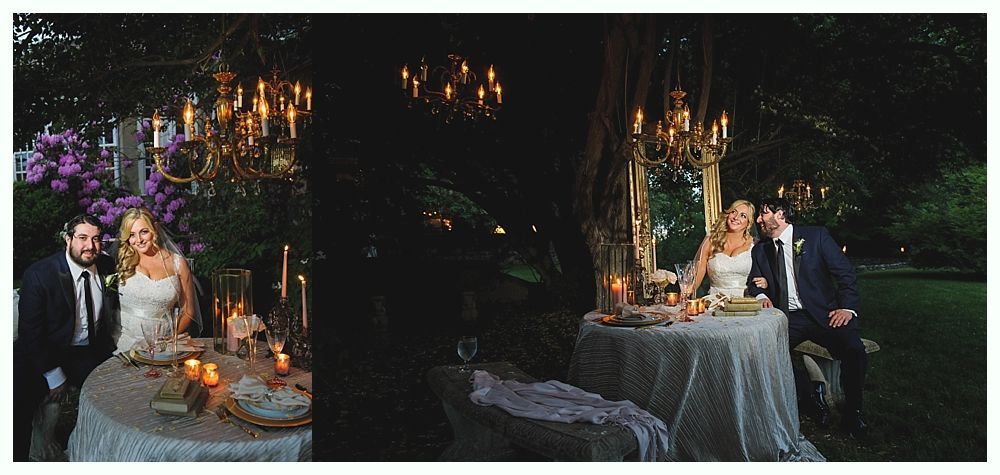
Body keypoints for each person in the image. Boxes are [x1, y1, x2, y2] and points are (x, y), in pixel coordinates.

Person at [747, 197, 868, 437]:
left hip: (826, 313)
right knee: (765, 350)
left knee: (854, 349)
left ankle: (853, 412)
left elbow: (845, 274)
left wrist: (847, 308)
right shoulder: (761, 249)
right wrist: (761, 294)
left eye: (763, 213)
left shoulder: (816, 236)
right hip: (788, 317)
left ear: (780, 214)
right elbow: (755, 281)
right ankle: (812, 397)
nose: (758, 219)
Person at [13, 214, 118, 461]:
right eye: (82, 238)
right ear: (68, 239)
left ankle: (102, 454)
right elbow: (31, 334)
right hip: (38, 354)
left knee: (117, 392)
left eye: (95, 239)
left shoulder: (106, 266)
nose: (90, 246)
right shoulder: (39, 275)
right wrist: (53, 375)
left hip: (87, 353)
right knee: (16, 408)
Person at [114, 207, 202, 353]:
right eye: (132, 235)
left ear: (154, 229)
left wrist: (171, 338)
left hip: (163, 345)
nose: (139, 240)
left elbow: (188, 310)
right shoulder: (120, 261)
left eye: (144, 232)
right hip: (124, 343)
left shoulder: (178, 264)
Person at [690, 199, 768, 298]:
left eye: (743, 215)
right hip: (715, 303)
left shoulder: (755, 244)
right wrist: (684, 296)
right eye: (733, 212)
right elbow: (695, 278)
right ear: (728, 214)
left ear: (749, 223)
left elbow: (767, 274)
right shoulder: (711, 241)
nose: (736, 217)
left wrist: (766, 282)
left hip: (745, 304)